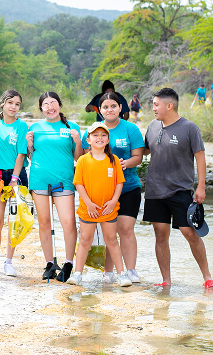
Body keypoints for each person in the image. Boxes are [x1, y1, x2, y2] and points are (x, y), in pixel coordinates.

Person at [142, 88, 213, 289]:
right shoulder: (152, 125)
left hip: (181, 190)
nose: (153, 108)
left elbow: (200, 157)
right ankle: (166, 280)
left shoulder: (189, 128)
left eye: (156, 104)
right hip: (154, 191)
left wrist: (201, 187)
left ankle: (207, 278)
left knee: (190, 233)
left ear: (169, 106)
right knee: (160, 235)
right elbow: (144, 151)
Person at [82, 92, 144, 284]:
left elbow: (138, 157)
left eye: (113, 106)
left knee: (125, 229)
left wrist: (126, 164)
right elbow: (87, 159)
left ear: (120, 108)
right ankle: (108, 272)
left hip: (128, 187)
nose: (109, 110)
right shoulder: (92, 131)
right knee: (110, 232)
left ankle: (131, 270)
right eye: (105, 107)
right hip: (101, 191)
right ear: (99, 110)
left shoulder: (131, 129)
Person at [26, 91, 82, 282]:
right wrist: (29, 145)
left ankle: (68, 263)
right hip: (39, 179)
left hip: (64, 180)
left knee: (68, 222)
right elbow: (31, 156)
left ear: (60, 105)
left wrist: (77, 141)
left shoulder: (72, 127)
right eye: (46, 104)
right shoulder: (35, 127)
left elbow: (78, 158)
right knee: (44, 223)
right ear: (41, 108)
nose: (50, 107)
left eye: (53, 103)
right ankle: (49, 263)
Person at [67, 122, 132, 287]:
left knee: (111, 240)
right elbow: (78, 184)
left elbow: (119, 183)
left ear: (108, 139)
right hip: (88, 208)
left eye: (103, 135)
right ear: (88, 139)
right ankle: (77, 274)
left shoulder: (114, 160)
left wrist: (113, 201)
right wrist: (88, 203)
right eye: (95, 135)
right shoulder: (82, 160)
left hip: (108, 209)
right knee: (85, 240)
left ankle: (122, 274)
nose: (99, 138)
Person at [0, 90, 29, 277]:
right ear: (2, 104)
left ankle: (9, 262)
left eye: (17, 104)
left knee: (14, 221)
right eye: (10, 102)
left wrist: (14, 178)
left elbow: (21, 154)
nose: (14, 107)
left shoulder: (22, 126)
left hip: (16, 177)